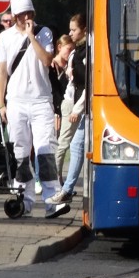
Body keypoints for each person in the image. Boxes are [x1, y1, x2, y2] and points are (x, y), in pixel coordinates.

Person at [0, 0, 70, 218]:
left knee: (45, 150)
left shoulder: (44, 33)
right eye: (21, 14)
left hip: (41, 100)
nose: (26, 17)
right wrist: (0, 101)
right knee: (20, 152)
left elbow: (47, 61)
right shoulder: (5, 38)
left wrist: (31, 37)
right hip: (16, 100)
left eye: (29, 13)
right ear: (15, 15)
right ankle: (24, 199)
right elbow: (1, 71)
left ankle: (51, 200)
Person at [50, 13, 89, 204]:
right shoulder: (76, 53)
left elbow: (90, 85)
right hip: (77, 104)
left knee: (74, 145)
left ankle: (64, 189)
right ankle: (64, 189)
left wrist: (77, 109)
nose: (70, 33)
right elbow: (74, 83)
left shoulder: (89, 51)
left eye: (74, 30)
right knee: (74, 145)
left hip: (84, 107)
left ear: (84, 30)